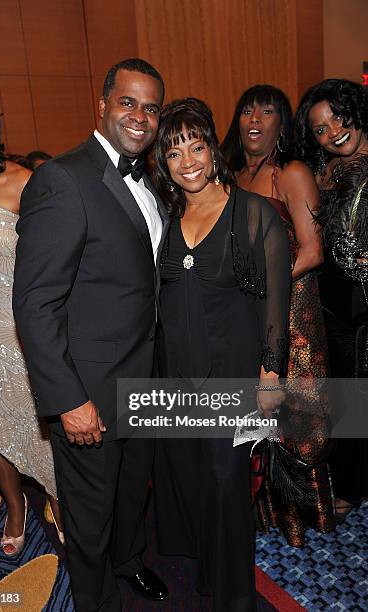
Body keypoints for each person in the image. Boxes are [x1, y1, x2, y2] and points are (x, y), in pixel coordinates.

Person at [13, 58, 169, 612]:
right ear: (101, 106)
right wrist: (69, 399)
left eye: (151, 107)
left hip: (142, 377)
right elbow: (34, 304)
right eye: (128, 102)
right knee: (90, 514)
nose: (140, 116)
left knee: (131, 496)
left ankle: (128, 564)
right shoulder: (63, 178)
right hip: (89, 392)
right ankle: (97, 598)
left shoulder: (147, 178)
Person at [153, 97, 291, 611]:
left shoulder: (253, 214)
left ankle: (233, 597)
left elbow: (277, 302)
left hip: (233, 382)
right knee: (189, 481)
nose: (187, 160)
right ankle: (204, 574)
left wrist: (271, 375)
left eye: (196, 146)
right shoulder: (164, 216)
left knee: (227, 488)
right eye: (174, 153)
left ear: (213, 148)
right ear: (163, 163)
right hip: (173, 383)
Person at [222, 84, 334, 546]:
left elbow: (313, 250)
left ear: (281, 124)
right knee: (259, 413)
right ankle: (268, 513)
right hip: (250, 313)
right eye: (247, 109)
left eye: (267, 111)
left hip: (292, 313)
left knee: (298, 417)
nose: (254, 117)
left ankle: (307, 519)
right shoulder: (230, 175)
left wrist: (267, 286)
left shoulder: (290, 171)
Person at [0, 83, 60, 556]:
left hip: (24, 330)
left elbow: (57, 256)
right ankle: (16, 509)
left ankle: (60, 503)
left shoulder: (22, 180)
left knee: (43, 424)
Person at [294, 78, 368, 517]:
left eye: (338, 117)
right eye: (319, 128)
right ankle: (350, 483)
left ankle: (352, 486)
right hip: (336, 302)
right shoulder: (325, 170)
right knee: (345, 398)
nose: (332, 131)